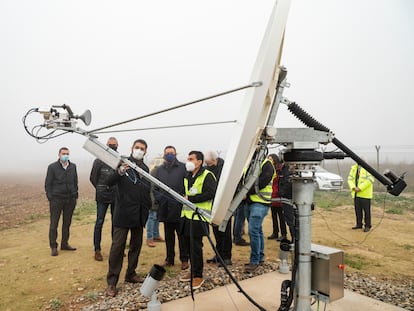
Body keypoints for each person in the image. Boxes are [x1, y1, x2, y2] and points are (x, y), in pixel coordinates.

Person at [105, 139, 151, 297]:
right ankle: (112, 282)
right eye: (137, 147)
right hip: (123, 213)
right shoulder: (122, 163)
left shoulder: (145, 169)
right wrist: (119, 172)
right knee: (117, 248)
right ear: (132, 148)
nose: (139, 150)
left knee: (135, 246)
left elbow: (146, 191)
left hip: (139, 215)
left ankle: (131, 273)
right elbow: (109, 181)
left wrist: (147, 211)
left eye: (142, 148)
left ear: (145, 151)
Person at [179, 151, 217, 289]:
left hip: (199, 217)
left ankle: (198, 275)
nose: (188, 161)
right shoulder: (188, 176)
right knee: (188, 246)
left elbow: (210, 193)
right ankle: (193, 271)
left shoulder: (207, 175)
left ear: (199, 161)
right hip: (187, 216)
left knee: (196, 247)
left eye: (191, 159)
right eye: (187, 158)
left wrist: (191, 199)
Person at [154, 146, 189, 270]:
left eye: (172, 153)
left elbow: (188, 184)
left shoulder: (183, 167)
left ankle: (184, 259)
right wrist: (160, 198)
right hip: (165, 208)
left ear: (176, 154)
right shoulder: (159, 170)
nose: (169, 155)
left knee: (182, 235)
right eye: (167, 153)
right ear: (164, 155)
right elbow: (155, 188)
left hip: (179, 207)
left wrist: (185, 197)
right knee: (169, 236)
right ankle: (169, 259)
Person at [244, 155, 275, 273]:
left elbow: (261, 182)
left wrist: (246, 192)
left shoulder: (266, 164)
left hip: (260, 202)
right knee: (257, 230)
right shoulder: (251, 164)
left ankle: (255, 261)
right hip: (251, 201)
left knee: (253, 231)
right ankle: (260, 257)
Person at [45, 147, 78, 257]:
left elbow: (75, 181)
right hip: (56, 199)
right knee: (54, 224)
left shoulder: (73, 167)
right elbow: (48, 184)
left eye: (67, 153)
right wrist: (51, 197)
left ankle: (65, 244)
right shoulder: (52, 167)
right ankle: (53, 246)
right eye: (63, 153)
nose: (65, 155)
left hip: (70, 199)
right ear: (59, 154)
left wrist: (75, 194)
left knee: (66, 223)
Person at [89, 137, 118, 261]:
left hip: (116, 196)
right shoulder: (98, 161)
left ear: (117, 145)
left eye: (114, 145)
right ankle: (97, 249)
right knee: (99, 222)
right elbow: (93, 178)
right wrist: (101, 187)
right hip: (102, 196)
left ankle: (116, 249)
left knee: (116, 222)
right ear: (106, 145)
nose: (112, 146)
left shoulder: (118, 160)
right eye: (110, 145)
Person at [204, 151, 233, 266]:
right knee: (216, 231)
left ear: (215, 160)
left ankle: (226, 257)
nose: (208, 166)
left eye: (209, 164)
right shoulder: (209, 169)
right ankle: (218, 255)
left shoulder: (225, 169)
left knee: (224, 231)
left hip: (224, 204)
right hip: (213, 204)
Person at [348, 163, 374, 232]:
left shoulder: (367, 168)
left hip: (365, 194)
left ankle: (367, 225)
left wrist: (360, 188)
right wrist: (353, 187)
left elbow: (370, 179)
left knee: (366, 211)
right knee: (358, 210)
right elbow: (350, 179)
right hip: (356, 193)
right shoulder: (353, 168)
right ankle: (359, 224)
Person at [267, 154, 287, 241]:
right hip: (272, 196)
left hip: (279, 196)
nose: (269, 161)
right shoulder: (270, 170)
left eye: (271, 159)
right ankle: (275, 232)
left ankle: (284, 234)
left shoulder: (280, 170)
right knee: (274, 216)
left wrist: (280, 193)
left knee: (281, 217)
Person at [146, 166, 164, 247]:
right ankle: (149, 238)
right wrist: (153, 200)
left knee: (156, 217)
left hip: (159, 198)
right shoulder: (155, 172)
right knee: (152, 217)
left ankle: (156, 235)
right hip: (153, 199)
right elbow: (152, 189)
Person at [278, 160, 294, 242]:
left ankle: (295, 239)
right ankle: (295, 239)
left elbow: (287, 183)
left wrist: (282, 192)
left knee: (291, 220)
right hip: (287, 197)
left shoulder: (288, 169)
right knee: (289, 219)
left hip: (288, 198)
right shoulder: (284, 168)